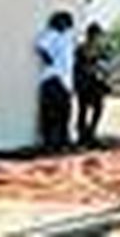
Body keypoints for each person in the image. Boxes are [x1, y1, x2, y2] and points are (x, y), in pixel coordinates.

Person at [35, 11, 76, 152]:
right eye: (65, 22)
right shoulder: (51, 34)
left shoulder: (67, 37)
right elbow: (40, 46)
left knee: (64, 114)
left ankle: (61, 143)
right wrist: (49, 59)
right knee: (52, 114)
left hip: (64, 81)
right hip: (53, 79)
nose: (67, 26)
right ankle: (50, 145)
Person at [74, 22, 112, 146]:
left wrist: (103, 72)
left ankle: (91, 133)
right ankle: (82, 136)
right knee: (83, 110)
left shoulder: (99, 49)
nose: (98, 37)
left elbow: (105, 64)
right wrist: (95, 67)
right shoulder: (81, 48)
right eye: (96, 34)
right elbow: (81, 65)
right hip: (84, 83)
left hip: (95, 83)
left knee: (98, 108)